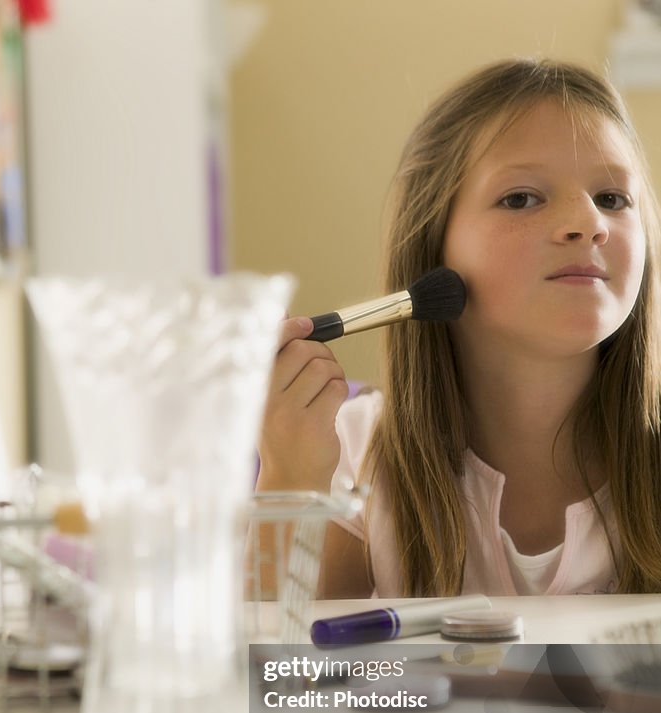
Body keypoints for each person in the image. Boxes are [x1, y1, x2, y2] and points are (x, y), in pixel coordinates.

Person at [256, 58, 661, 598]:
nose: (588, 223)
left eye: (612, 199)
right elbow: (282, 678)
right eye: (521, 198)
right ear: (433, 247)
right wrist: (290, 477)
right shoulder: (356, 453)